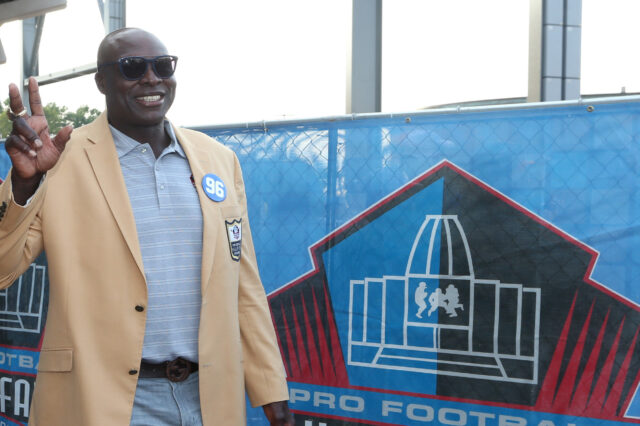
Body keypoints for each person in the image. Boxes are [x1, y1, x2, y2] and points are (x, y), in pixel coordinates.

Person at [0, 28, 293, 426]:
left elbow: (244, 284)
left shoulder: (218, 160)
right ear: (102, 81)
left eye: (162, 66)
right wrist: (23, 184)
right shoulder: (61, 162)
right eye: (132, 67)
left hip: (208, 399)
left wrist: (270, 388)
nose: (151, 78)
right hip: (102, 400)